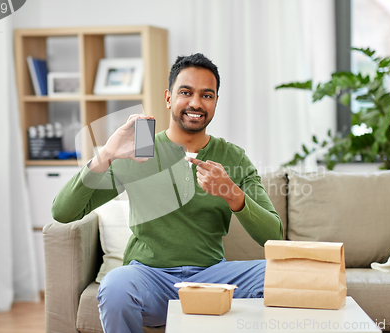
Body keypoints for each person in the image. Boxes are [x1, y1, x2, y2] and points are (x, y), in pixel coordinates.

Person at [51, 53, 283, 333]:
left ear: (216, 102)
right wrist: (106, 156)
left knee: (280, 275)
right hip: (149, 277)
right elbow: (63, 213)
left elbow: (273, 235)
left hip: (211, 279)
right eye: (186, 92)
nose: (196, 103)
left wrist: (232, 193)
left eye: (207, 95)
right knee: (115, 285)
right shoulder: (139, 152)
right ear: (169, 97)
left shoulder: (233, 157)